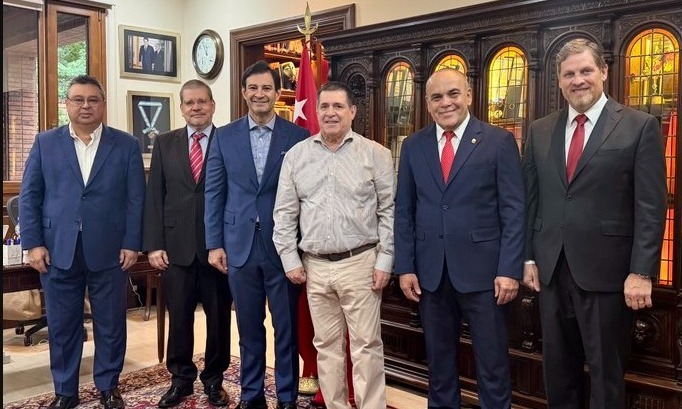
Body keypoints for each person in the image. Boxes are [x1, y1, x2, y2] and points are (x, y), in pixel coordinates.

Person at [522, 38, 667, 408]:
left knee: (605, 375)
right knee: (558, 371)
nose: (578, 80)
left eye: (586, 70)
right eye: (569, 74)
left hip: (609, 275)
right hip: (552, 272)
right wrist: (528, 258)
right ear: (558, 80)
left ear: (603, 72)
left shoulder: (639, 126)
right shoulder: (539, 131)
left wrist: (642, 271)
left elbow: (651, 205)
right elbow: (530, 200)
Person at [394, 68, 525, 409]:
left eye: (453, 93)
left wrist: (510, 269)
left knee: (493, 366)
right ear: (427, 103)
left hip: (486, 277)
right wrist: (405, 267)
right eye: (437, 97)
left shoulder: (498, 141)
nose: (446, 102)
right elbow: (404, 210)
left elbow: (514, 210)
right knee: (439, 368)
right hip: (430, 276)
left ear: (469, 95)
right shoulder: (413, 145)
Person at [19, 75, 146, 409]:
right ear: (67, 104)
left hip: (110, 250)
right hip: (57, 249)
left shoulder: (126, 144)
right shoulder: (45, 143)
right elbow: (30, 195)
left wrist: (133, 242)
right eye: (78, 99)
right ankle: (65, 391)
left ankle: (108, 386)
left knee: (111, 324)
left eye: (93, 99)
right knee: (62, 326)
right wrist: (33, 244)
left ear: (103, 104)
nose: (85, 105)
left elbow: (136, 199)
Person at [273, 81, 395, 409]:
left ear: (352, 112)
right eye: (324, 107)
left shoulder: (376, 155)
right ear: (316, 111)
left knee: (366, 346)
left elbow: (390, 212)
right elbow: (283, 214)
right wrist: (289, 259)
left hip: (361, 264)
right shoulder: (297, 156)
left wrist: (385, 260)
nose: (330, 113)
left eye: (338, 107)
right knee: (325, 346)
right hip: (314, 266)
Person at [204, 60, 309, 409]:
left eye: (267, 88)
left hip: (283, 248)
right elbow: (214, 191)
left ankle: (287, 396)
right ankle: (251, 395)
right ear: (244, 92)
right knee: (249, 328)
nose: (260, 94)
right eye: (253, 88)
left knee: (286, 330)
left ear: (277, 93)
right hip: (238, 247)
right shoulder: (224, 135)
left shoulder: (297, 136)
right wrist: (214, 243)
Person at [143, 79, 232, 408]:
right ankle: (181, 380)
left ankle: (214, 380)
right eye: (189, 102)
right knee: (179, 318)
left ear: (212, 105)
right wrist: (154, 245)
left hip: (217, 250)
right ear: (181, 108)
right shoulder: (164, 143)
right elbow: (155, 197)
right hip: (175, 249)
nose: (196, 107)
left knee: (219, 319)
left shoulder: (228, 140)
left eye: (202, 101)